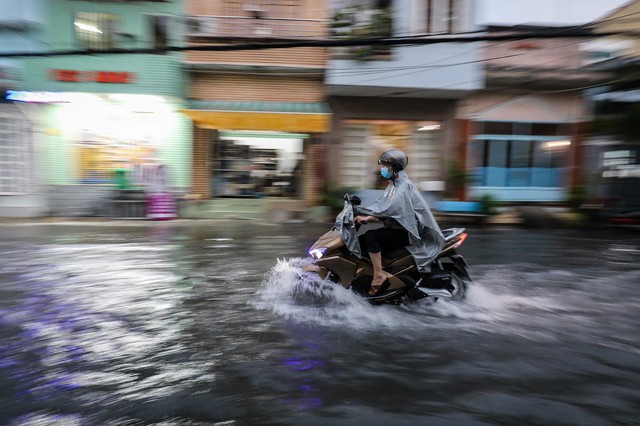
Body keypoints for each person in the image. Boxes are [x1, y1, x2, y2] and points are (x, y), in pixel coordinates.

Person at [353, 149, 445, 296]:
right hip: (398, 228)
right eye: (383, 165)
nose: (383, 169)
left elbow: (390, 208)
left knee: (371, 236)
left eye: (386, 166)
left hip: (406, 232)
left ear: (395, 167)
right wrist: (367, 217)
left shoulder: (403, 187)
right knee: (361, 240)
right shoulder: (393, 185)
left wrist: (365, 213)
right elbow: (392, 211)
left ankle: (378, 274)